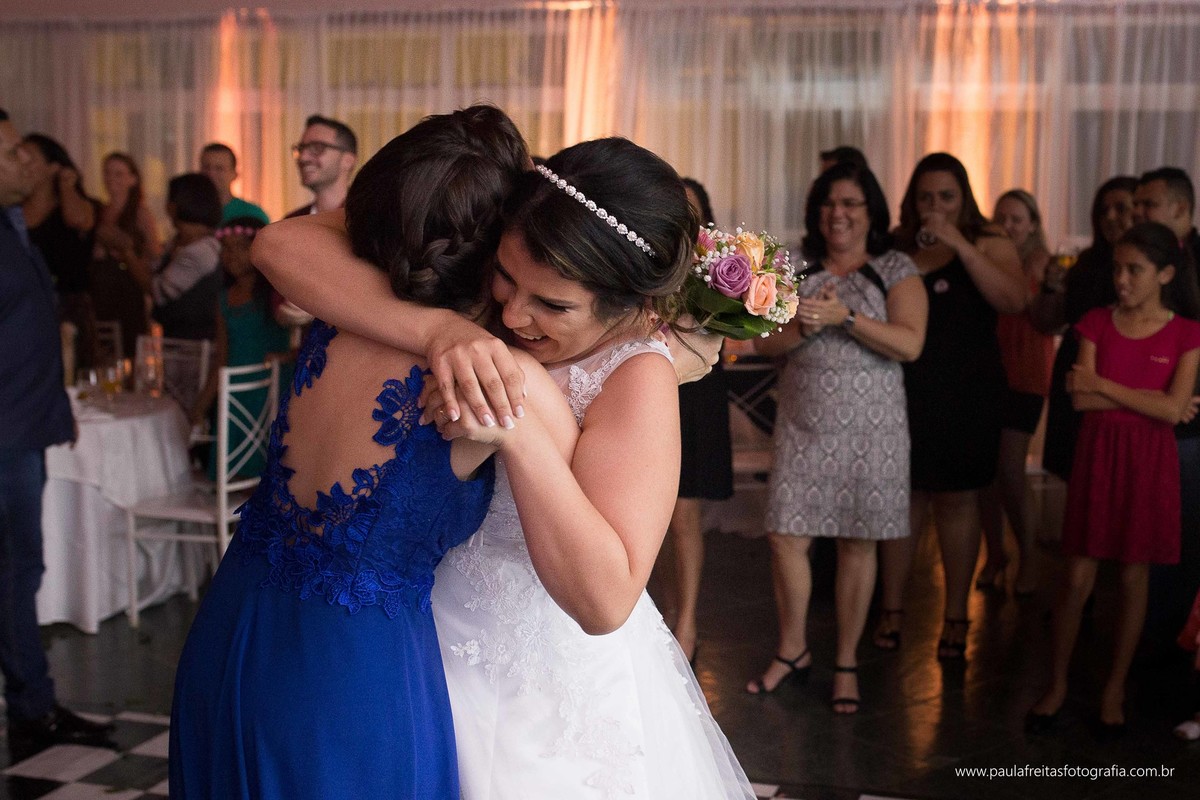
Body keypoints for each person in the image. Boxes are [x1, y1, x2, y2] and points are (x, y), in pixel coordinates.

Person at [253, 139, 754, 797]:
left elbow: (606, 600)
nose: (514, 315)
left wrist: (518, 426)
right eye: (507, 278)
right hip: (420, 628)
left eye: (552, 305)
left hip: (536, 687)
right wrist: (441, 331)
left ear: (630, 305)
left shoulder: (637, 379)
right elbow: (279, 247)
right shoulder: (499, 300)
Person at [169, 105, 532, 798]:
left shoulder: (337, 309)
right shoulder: (495, 377)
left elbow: (283, 240)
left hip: (233, 631)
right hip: (353, 683)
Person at [748, 161, 926, 713]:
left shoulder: (894, 267)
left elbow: (910, 344)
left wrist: (845, 317)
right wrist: (803, 324)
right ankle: (793, 648)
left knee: (857, 541)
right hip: (803, 425)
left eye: (849, 203)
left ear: (870, 210)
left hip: (874, 431)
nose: (838, 214)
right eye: (828, 203)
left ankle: (845, 659)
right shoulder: (796, 269)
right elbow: (763, 346)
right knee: (785, 536)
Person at [1027, 222, 1200, 733]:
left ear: (1165, 274)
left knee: (1132, 576)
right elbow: (1080, 399)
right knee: (1077, 575)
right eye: (1117, 268)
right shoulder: (1095, 322)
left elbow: (1171, 411)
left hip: (1150, 461)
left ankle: (1114, 687)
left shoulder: (1188, 333)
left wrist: (1106, 384)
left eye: (1134, 270)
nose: (1121, 279)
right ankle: (1057, 683)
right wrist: (1151, 403)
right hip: (1098, 454)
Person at [873, 152, 1024, 661]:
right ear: (912, 202)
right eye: (926, 197)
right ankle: (892, 609)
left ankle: (956, 613)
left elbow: (1013, 300)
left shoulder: (988, 241)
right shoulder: (898, 247)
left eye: (946, 197)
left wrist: (961, 243)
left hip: (969, 392)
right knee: (905, 498)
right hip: (905, 387)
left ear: (964, 200)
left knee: (958, 502)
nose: (935, 206)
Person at [0, 107, 114, 755]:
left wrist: (54, 404)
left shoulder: (14, 225)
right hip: (5, 436)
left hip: (24, 425)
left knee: (20, 570)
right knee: (17, 570)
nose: (30, 161)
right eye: (15, 151)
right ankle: (31, 708)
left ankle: (31, 703)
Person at [666, 176, 733, 666]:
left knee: (685, 513)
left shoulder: (715, 274)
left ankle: (685, 622)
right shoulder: (642, 262)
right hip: (645, 388)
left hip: (696, 393)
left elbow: (735, 337)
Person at [976, 189, 1055, 595]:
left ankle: (1028, 557)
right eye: (1001, 218)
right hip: (989, 373)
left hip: (1025, 373)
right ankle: (995, 554)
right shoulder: (988, 258)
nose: (1008, 226)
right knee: (985, 474)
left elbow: (1047, 315)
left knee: (1010, 468)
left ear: (1033, 225)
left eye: (1017, 219)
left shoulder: (1041, 262)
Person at [1037, 176, 1137, 483]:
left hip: (1121, 368)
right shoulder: (1086, 262)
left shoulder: (1149, 265)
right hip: (1077, 361)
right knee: (1076, 465)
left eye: (1121, 208)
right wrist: (1051, 287)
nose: (1110, 217)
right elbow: (1051, 322)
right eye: (1103, 210)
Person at [189, 216, 292, 479]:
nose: (231, 255)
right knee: (237, 474)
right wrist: (200, 406)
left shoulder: (279, 290)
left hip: (272, 388)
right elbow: (222, 356)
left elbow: (303, 342)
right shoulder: (223, 300)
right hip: (235, 395)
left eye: (240, 247)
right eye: (226, 248)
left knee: (270, 476)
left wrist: (285, 357)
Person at [21, 133, 99, 368]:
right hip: (24, 307)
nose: (23, 163)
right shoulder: (13, 211)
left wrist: (66, 185)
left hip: (67, 310)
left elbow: (78, 220)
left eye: (30, 158)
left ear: (52, 167)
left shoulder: (77, 204)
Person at [91, 152, 162, 357]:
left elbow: (154, 254)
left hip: (128, 290)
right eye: (108, 173)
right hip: (100, 288)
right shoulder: (99, 212)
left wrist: (127, 253)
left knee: (130, 347)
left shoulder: (140, 213)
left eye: (119, 174)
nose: (112, 179)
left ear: (132, 179)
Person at [148, 173, 223, 341]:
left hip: (193, 347)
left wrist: (128, 253)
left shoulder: (201, 250)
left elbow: (160, 291)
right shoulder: (179, 242)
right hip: (177, 341)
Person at [285, 115, 357, 218]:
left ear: (348, 161)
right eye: (301, 149)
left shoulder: (365, 217)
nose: (303, 158)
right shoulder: (292, 222)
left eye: (317, 148)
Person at [198, 142, 269, 225]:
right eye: (206, 168)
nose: (211, 174)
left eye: (219, 168)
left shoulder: (252, 214)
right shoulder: (190, 213)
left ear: (234, 174)